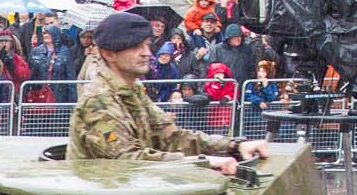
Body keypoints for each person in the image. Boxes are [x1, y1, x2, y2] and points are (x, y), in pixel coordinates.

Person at [69, 11, 269, 171]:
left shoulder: (133, 91)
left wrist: (233, 146)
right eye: (135, 47)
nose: (147, 53)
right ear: (109, 54)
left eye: (146, 45)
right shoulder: (98, 101)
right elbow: (128, 161)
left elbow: (172, 137)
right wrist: (202, 162)